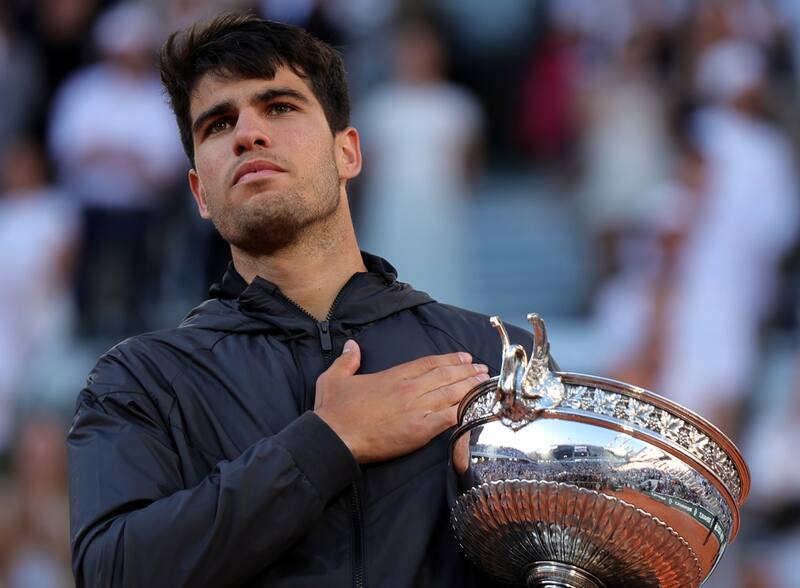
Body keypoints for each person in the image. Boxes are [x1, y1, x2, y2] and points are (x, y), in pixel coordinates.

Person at [67, 14, 535, 587]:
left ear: (348, 154)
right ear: (199, 193)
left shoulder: (498, 353)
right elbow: (111, 575)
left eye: (280, 107)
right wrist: (326, 442)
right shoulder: (141, 380)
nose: (247, 133)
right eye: (217, 124)